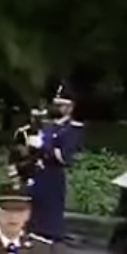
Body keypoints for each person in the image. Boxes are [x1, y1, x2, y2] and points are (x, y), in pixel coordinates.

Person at [27, 88, 82, 241]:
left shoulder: (72, 129)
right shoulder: (47, 126)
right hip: (38, 171)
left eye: (62, 105)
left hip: (53, 174)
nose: (58, 108)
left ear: (70, 108)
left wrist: (44, 147)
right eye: (57, 105)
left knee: (50, 213)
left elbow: (63, 156)